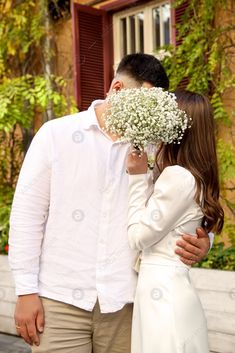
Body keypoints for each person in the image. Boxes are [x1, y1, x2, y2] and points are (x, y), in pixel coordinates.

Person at [9, 54, 212, 353]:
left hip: (127, 304)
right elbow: (27, 215)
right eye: (142, 104)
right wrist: (26, 291)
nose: (148, 114)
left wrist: (204, 238)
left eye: (153, 107)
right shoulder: (56, 135)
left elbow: (188, 200)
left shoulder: (158, 149)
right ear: (116, 88)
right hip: (60, 301)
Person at [126, 90, 224, 353]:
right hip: (170, 291)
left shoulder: (177, 176)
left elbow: (138, 237)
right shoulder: (197, 177)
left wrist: (136, 179)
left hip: (162, 297)